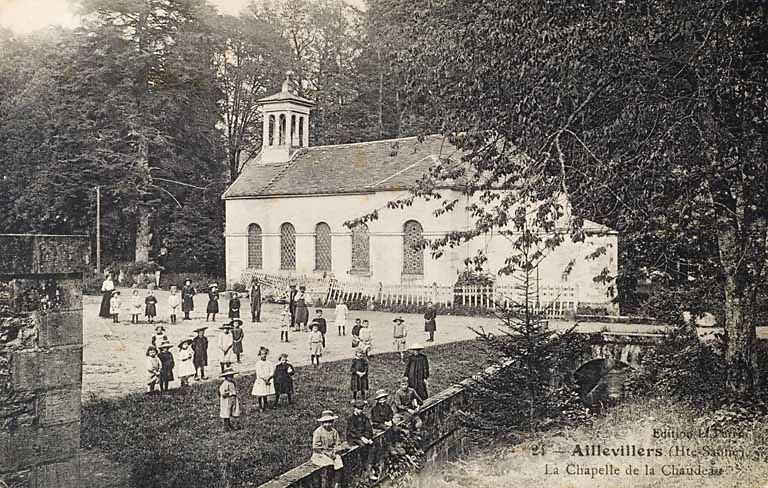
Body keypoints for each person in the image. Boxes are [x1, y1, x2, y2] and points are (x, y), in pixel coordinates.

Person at [310, 410, 345, 488]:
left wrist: (335, 451)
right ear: (322, 423)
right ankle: (325, 485)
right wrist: (327, 453)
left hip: (332, 452)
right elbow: (316, 447)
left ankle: (336, 484)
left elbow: (337, 443)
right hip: (320, 454)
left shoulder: (334, 431)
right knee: (328, 465)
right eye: (326, 422)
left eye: (330, 422)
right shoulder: (318, 432)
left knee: (339, 463)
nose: (328, 424)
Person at [346, 399, 379, 481]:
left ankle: (370, 466)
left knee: (373, 446)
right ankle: (367, 469)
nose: (360, 411)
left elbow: (368, 429)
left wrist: (368, 438)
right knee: (363, 446)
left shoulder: (364, 418)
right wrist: (361, 437)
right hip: (353, 438)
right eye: (358, 409)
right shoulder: (351, 419)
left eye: (361, 409)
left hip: (364, 437)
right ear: (354, 409)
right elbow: (352, 431)